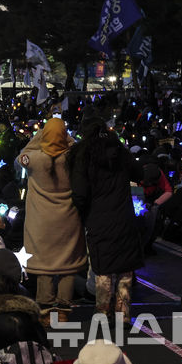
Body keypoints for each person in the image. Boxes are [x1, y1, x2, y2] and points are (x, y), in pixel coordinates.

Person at [68, 117, 144, 325]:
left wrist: (83, 213)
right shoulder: (121, 153)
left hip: (98, 218)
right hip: (124, 216)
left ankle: (103, 312)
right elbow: (139, 173)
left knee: (103, 268)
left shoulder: (84, 156)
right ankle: (123, 313)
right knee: (125, 268)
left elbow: (80, 193)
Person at [17, 117, 86, 322]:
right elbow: (75, 147)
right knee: (67, 265)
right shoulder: (73, 157)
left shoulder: (33, 159)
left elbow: (22, 155)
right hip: (69, 219)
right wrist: (66, 137)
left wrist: (40, 136)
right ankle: (63, 310)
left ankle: (45, 310)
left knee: (45, 265)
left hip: (40, 222)